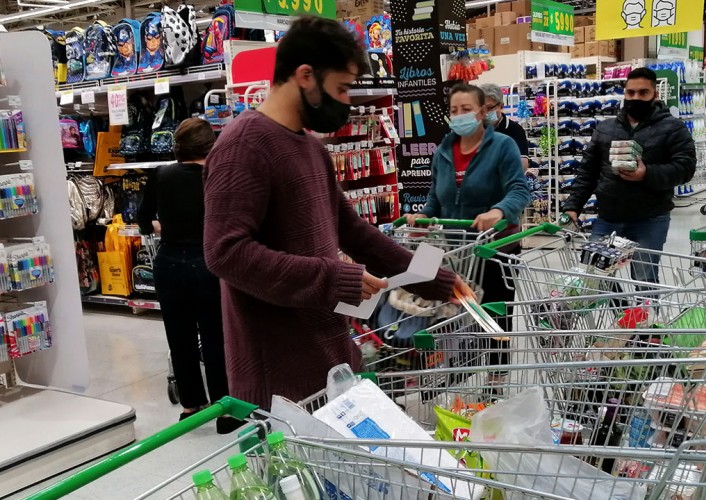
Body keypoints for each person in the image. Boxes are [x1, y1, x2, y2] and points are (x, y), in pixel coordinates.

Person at [203, 17, 460, 409]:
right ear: (305, 76)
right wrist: (335, 278)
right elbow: (225, 253)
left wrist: (435, 279)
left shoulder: (311, 148)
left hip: (330, 362)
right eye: (341, 88)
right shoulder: (243, 145)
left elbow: (352, 231)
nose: (347, 101)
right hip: (280, 385)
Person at [137, 118, 239, 433]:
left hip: (168, 263)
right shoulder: (219, 177)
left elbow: (143, 220)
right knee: (215, 338)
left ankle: (190, 408)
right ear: (211, 146)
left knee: (179, 339)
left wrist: (166, 227)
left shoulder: (161, 174)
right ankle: (225, 412)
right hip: (208, 263)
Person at [403, 83, 529, 330]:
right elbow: (435, 197)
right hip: (455, 251)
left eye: (466, 109)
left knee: (494, 324)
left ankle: (496, 358)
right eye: (454, 110)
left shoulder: (503, 146)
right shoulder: (443, 151)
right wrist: (424, 216)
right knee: (456, 323)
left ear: (481, 112)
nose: (459, 115)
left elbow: (519, 189)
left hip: (495, 249)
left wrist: (498, 211)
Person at [561, 67, 696, 284]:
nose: (636, 98)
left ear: (655, 95)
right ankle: (619, 307)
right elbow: (588, 171)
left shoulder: (673, 128)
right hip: (608, 218)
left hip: (650, 218)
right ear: (624, 93)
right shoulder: (605, 129)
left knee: (643, 279)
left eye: (643, 93)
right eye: (631, 92)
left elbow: (685, 168)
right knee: (595, 279)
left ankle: (645, 308)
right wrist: (573, 206)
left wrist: (647, 173)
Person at [481, 83, 529, 170]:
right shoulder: (476, 130)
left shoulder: (515, 130)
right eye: (482, 108)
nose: (486, 112)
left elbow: (522, 165)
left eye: (490, 108)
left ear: (501, 106)